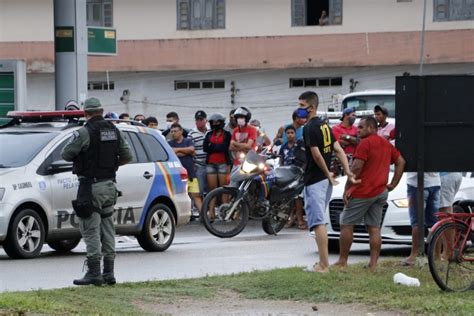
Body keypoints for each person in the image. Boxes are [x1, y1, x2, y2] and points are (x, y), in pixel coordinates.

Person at [62, 97, 132, 286]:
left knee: (90, 229)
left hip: (90, 187)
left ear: (85, 113)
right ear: (102, 110)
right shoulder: (114, 130)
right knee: (108, 228)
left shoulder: (84, 132)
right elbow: (128, 156)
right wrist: (110, 166)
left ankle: (94, 272)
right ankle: (109, 273)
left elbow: (65, 154)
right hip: (110, 185)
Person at [334, 117, 405, 272]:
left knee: (346, 224)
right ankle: (373, 264)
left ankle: (342, 261)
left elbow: (357, 167)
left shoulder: (364, 144)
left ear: (372, 128)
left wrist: (347, 188)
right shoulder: (386, 143)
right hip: (380, 191)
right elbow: (401, 161)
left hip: (362, 191)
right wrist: (393, 184)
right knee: (374, 228)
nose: (357, 130)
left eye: (361, 127)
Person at [298, 91, 355, 273]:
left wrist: (328, 174)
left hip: (316, 180)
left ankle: (323, 264)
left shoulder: (309, 128)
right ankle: (322, 263)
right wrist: (347, 171)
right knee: (319, 220)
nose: (299, 110)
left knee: (317, 222)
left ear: (311, 107)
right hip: (325, 181)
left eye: (301, 106)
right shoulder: (325, 126)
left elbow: (316, 155)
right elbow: (338, 150)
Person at [402, 172, 441, 266]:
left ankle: (414, 255)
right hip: (435, 182)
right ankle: (437, 256)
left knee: (417, 221)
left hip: (416, 183)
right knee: (435, 223)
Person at [203, 113, 232, 219]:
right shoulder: (209, 134)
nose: (215, 124)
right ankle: (211, 212)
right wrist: (217, 147)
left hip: (223, 164)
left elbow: (224, 147)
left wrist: (213, 146)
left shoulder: (227, 134)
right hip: (211, 164)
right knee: (212, 189)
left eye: (217, 122)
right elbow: (205, 148)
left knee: (223, 189)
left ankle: (225, 212)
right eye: (213, 122)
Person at [168, 123, 202, 213]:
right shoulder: (169, 143)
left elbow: (192, 150)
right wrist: (186, 151)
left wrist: (178, 150)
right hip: (177, 175)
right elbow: (172, 153)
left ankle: (204, 216)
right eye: (172, 131)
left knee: (196, 195)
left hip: (191, 175)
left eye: (175, 131)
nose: (173, 133)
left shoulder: (188, 141)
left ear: (181, 131)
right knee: (180, 196)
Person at [279, 125, 306, 230]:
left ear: (295, 134)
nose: (290, 135)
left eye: (292, 133)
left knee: (297, 197)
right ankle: (290, 218)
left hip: (297, 174)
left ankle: (299, 218)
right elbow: (281, 160)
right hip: (286, 174)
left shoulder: (298, 146)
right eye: (288, 133)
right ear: (285, 135)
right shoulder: (283, 147)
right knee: (288, 197)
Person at [229, 107, 258, 186]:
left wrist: (236, 144)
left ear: (246, 118)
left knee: (248, 186)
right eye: (238, 117)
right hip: (237, 163)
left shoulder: (252, 129)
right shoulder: (235, 130)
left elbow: (248, 146)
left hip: (249, 162)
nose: (239, 119)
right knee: (232, 185)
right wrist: (243, 146)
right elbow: (231, 147)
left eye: (241, 117)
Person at [188, 110, 209, 218]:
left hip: (210, 164)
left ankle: (209, 211)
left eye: (201, 119)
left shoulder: (210, 132)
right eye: (197, 120)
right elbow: (190, 150)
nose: (199, 122)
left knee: (210, 190)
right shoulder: (192, 133)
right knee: (200, 191)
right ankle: (202, 213)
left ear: (206, 120)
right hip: (199, 165)